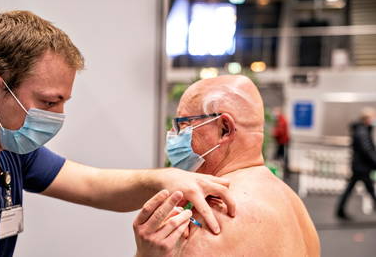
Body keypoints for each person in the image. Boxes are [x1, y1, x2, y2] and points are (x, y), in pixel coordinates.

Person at [0, 11, 236, 257]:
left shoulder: (2, 146)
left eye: (62, 102)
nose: (58, 117)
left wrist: (167, 180)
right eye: (48, 102)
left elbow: (92, 185)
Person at [133, 75, 320, 257]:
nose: (173, 135)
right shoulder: (293, 204)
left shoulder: (214, 219)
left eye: (183, 125)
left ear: (225, 129)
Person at [336, 107, 376, 220]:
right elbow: (367, 150)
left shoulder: (362, 130)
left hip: (360, 166)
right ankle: (340, 210)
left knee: (356, 188)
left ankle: (340, 210)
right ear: (367, 118)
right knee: (369, 189)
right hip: (362, 167)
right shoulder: (362, 132)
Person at [272, 107, 290, 179]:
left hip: (283, 142)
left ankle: (285, 173)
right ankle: (282, 171)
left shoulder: (282, 120)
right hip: (281, 142)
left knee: (283, 157)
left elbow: (280, 131)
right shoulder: (280, 120)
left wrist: (274, 133)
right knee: (279, 156)